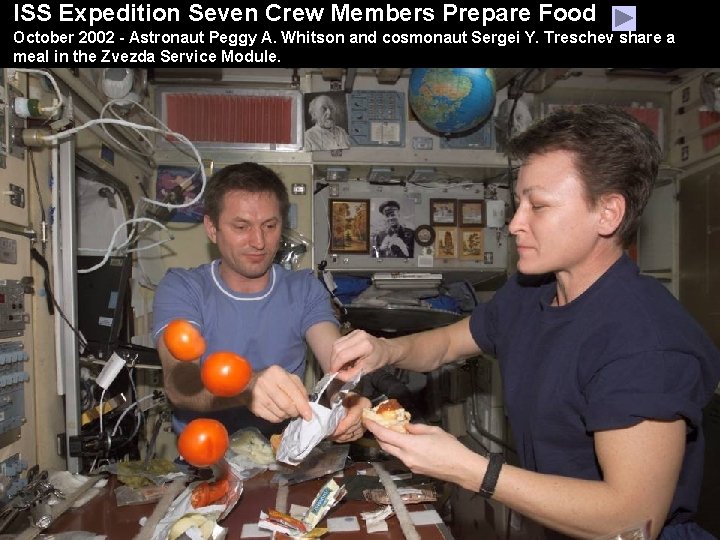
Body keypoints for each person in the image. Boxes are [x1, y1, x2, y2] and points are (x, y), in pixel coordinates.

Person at [329, 105, 720, 539]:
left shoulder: (646, 342)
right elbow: (444, 345)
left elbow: (633, 519)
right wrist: (387, 350)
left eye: (539, 206)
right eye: (518, 204)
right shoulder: (531, 291)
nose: (515, 224)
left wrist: (471, 470)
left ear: (608, 213)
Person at [152, 162, 370, 442]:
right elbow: (180, 384)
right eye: (241, 226)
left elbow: (337, 364)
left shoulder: (303, 288)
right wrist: (247, 386)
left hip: (282, 457)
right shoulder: (183, 288)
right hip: (206, 461)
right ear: (212, 228)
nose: (259, 242)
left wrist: (347, 401)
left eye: (269, 226)